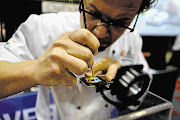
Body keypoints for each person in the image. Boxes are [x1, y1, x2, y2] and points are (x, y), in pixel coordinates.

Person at [0, 0, 156, 119]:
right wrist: (34, 69)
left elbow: (142, 91)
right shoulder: (42, 27)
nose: (100, 33)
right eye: (93, 14)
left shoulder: (132, 39)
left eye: (120, 23)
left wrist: (122, 79)